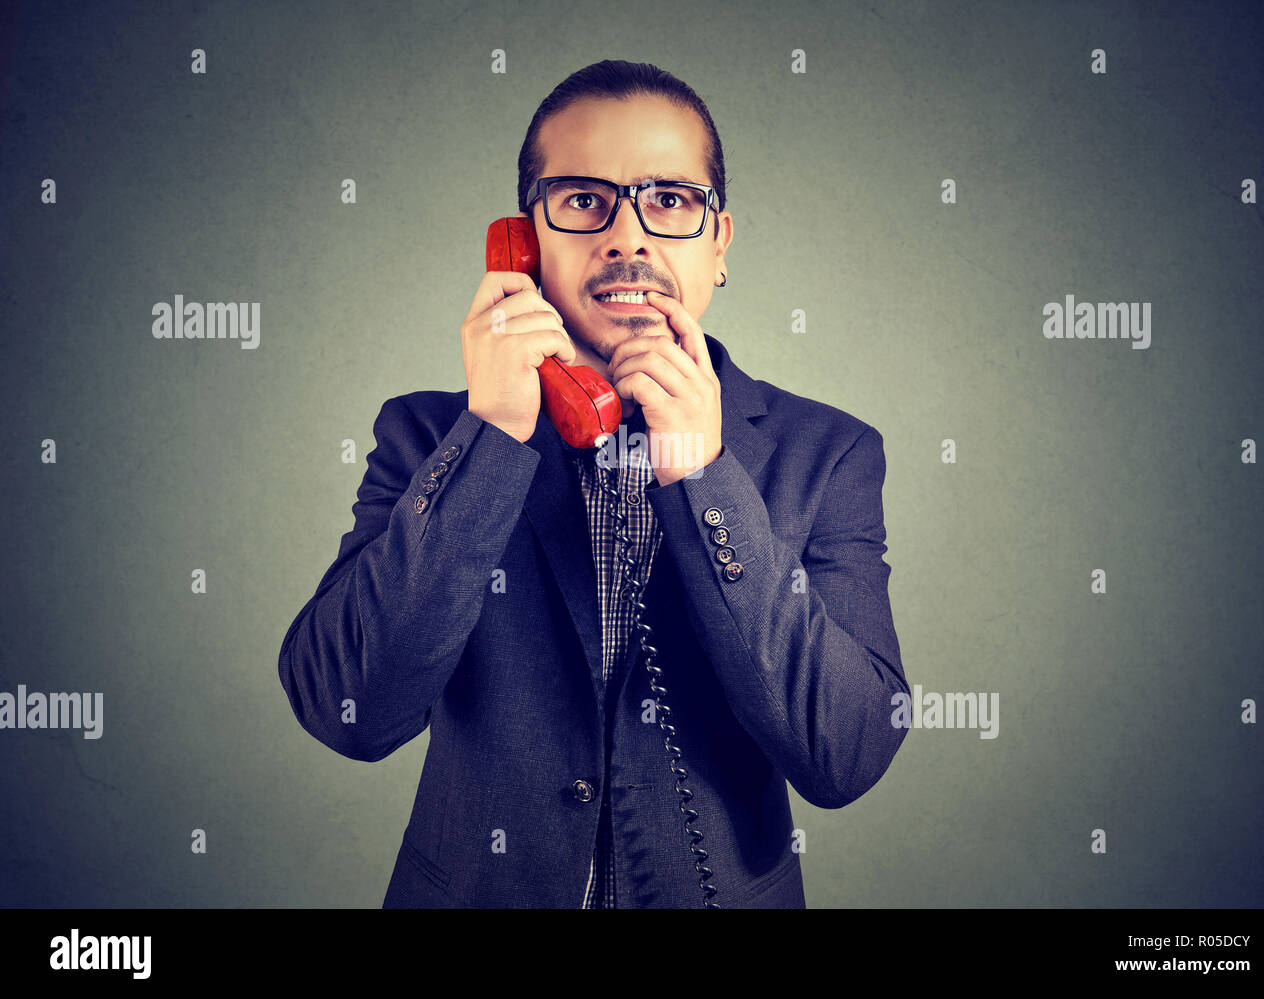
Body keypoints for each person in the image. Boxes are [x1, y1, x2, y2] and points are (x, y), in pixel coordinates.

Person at [278, 59, 908, 909]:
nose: (629, 238)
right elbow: (346, 709)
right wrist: (493, 432)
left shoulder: (826, 453)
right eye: (583, 199)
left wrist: (705, 476)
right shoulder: (429, 435)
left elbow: (847, 753)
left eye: (671, 201)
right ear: (521, 241)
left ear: (719, 244)